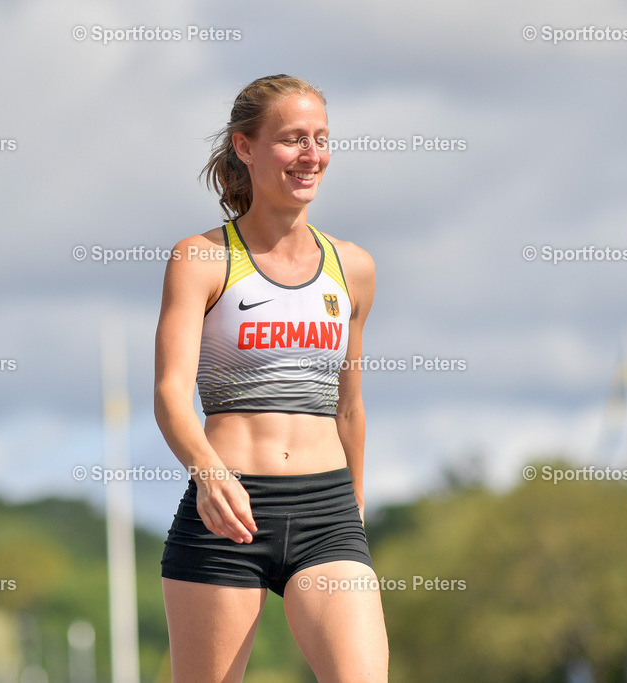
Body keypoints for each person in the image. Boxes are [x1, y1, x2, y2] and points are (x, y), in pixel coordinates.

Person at [154, 74, 389, 682]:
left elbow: (349, 408)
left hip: (327, 512)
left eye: (321, 139)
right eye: (291, 140)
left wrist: (353, 513)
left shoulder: (353, 267)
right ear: (245, 146)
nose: (311, 155)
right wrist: (206, 474)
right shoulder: (200, 257)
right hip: (226, 513)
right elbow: (171, 393)